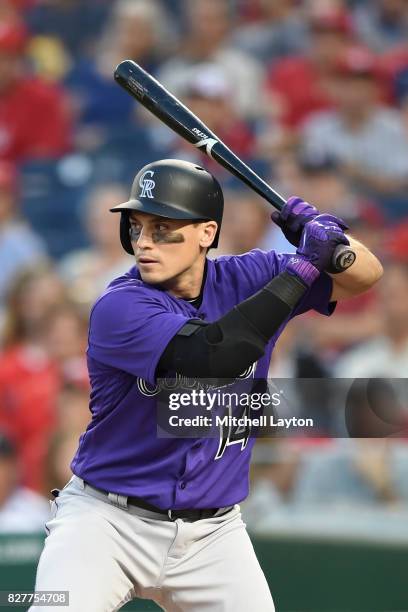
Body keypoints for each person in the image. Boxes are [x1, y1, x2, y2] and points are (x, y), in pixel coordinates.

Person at [31, 159, 382, 611]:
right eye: (137, 228)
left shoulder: (248, 275)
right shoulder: (120, 306)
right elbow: (214, 356)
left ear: (206, 233)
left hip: (212, 534)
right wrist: (303, 269)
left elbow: (366, 276)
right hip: (107, 520)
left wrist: (329, 241)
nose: (144, 242)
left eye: (163, 228)